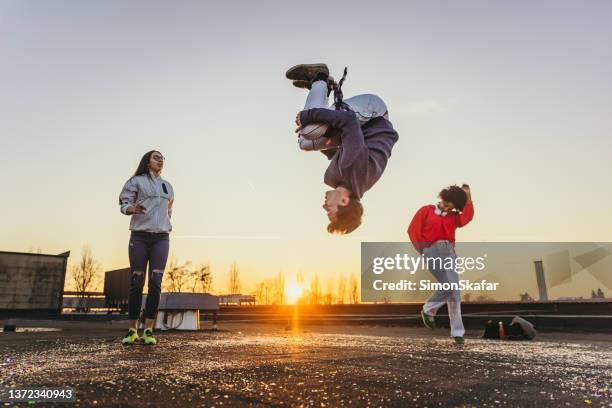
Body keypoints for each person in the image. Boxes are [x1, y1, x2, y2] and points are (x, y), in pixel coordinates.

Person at [286, 63, 399, 234]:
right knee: (310, 129)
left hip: (360, 127)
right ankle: (319, 77)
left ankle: (320, 87)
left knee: (305, 141)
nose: (324, 206)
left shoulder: (342, 179)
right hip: (374, 114)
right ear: (344, 201)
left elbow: (337, 149)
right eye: (329, 211)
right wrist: (306, 116)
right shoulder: (354, 169)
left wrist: (324, 136)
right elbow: (348, 120)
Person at [118, 150, 174, 345]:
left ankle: (149, 330)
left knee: (156, 283)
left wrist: (164, 225)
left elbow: (169, 211)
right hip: (140, 237)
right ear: (147, 161)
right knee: (136, 282)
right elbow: (124, 203)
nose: (160, 161)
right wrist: (130, 209)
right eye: (156, 157)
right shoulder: (136, 182)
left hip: (161, 238)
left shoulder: (168, 187)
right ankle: (132, 330)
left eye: (162, 158)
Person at [407, 184, 474, 344]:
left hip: (449, 252)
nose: (449, 206)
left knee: (454, 291)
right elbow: (412, 230)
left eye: (454, 205)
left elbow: (468, 216)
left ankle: (457, 332)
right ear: (444, 197)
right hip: (431, 251)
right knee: (451, 287)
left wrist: (469, 197)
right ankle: (428, 309)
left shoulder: (453, 217)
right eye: (449, 201)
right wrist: (423, 250)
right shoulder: (426, 210)